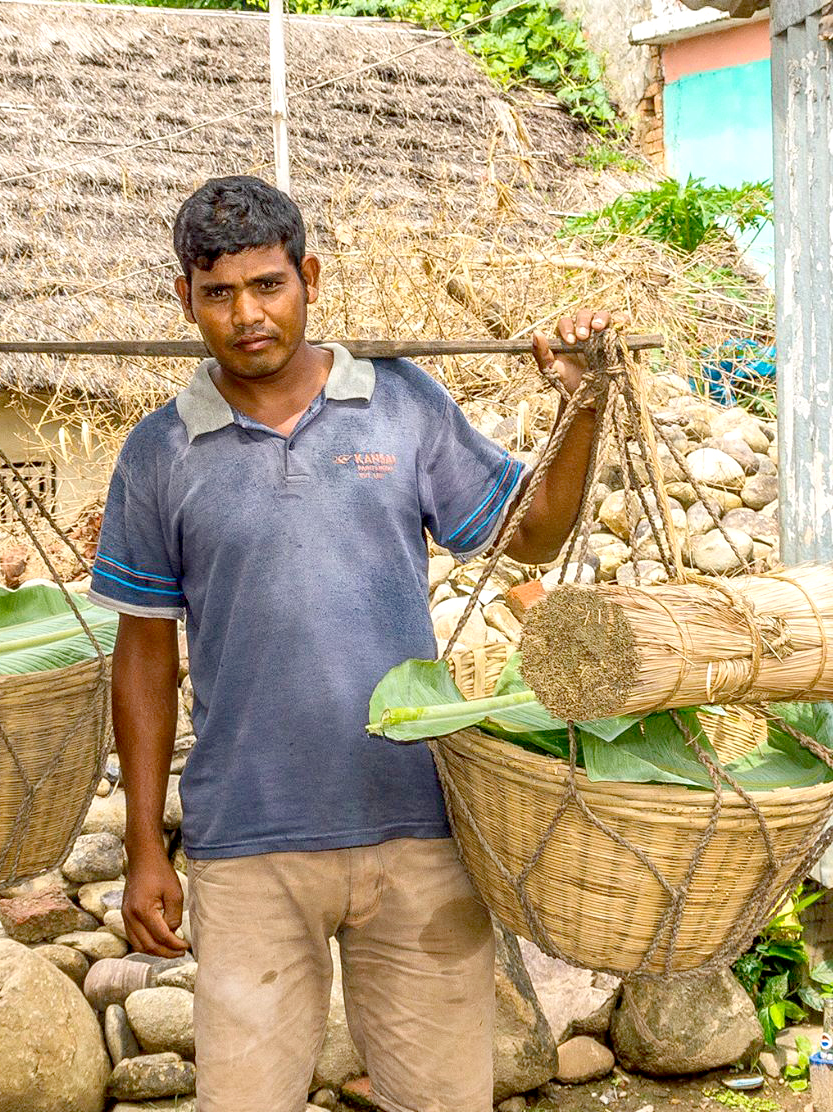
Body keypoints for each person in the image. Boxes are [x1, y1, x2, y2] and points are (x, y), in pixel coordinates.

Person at [88, 176, 618, 1112]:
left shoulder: (402, 403)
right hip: (248, 844)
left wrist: (582, 408)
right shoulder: (160, 452)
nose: (247, 315)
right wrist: (143, 848)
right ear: (186, 300)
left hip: (419, 832)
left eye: (268, 285)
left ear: (310, 280)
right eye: (219, 294)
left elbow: (527, 537)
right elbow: (143, 656)